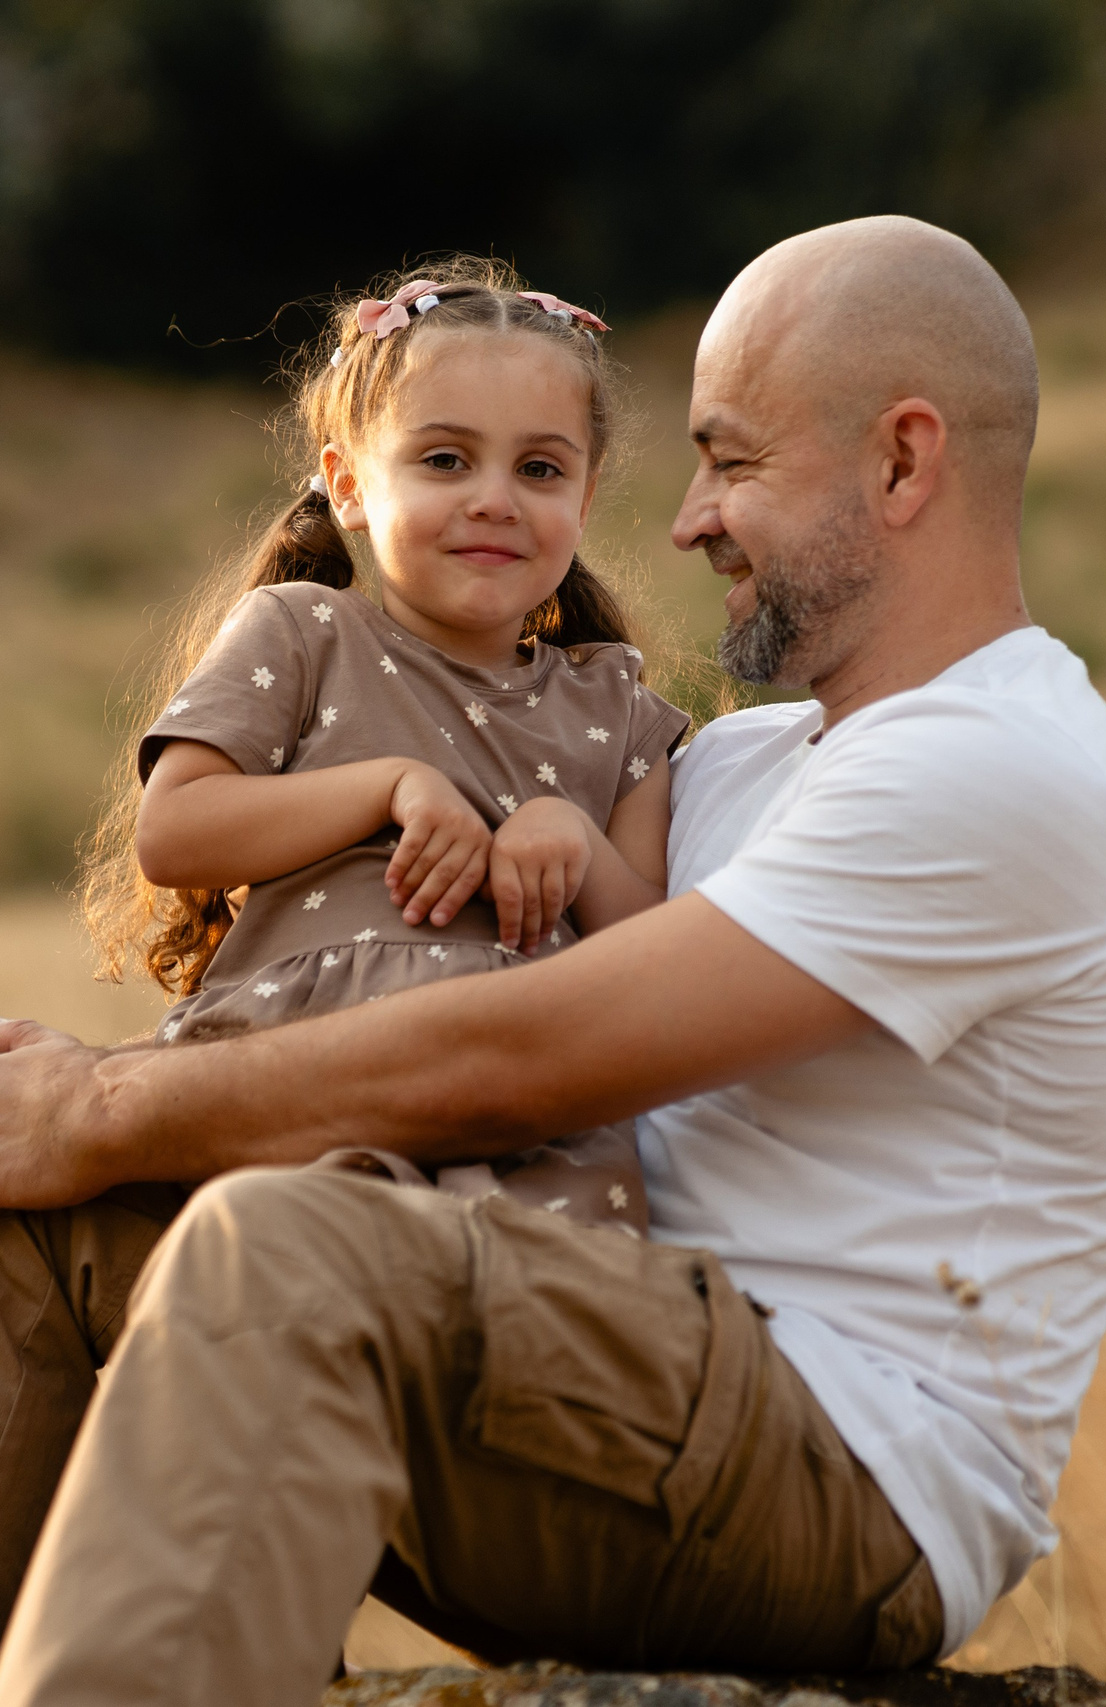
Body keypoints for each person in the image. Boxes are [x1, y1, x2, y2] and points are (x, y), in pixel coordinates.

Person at [0, 215, 1106, 1707]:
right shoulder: (745, 763)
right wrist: (34, 1130)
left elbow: (526, 1055)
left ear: (901, 464)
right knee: (9, 1231)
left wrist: (93, 1105)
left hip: (840, 1468)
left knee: (283, 1241)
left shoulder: (1000, 765)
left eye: (733, 461)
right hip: (598, 1354)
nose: (690, 520)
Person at [83, 256, 689, 1232]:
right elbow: (175, 832)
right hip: (283, 1095)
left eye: (539, 469)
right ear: (349, 484)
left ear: (583, 501)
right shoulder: (303, 632)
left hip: (524, 1135)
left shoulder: (617, 708)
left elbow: (664, 969)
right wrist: (390, 785)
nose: (494, 499)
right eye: (445, 459)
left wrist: (575, 844)